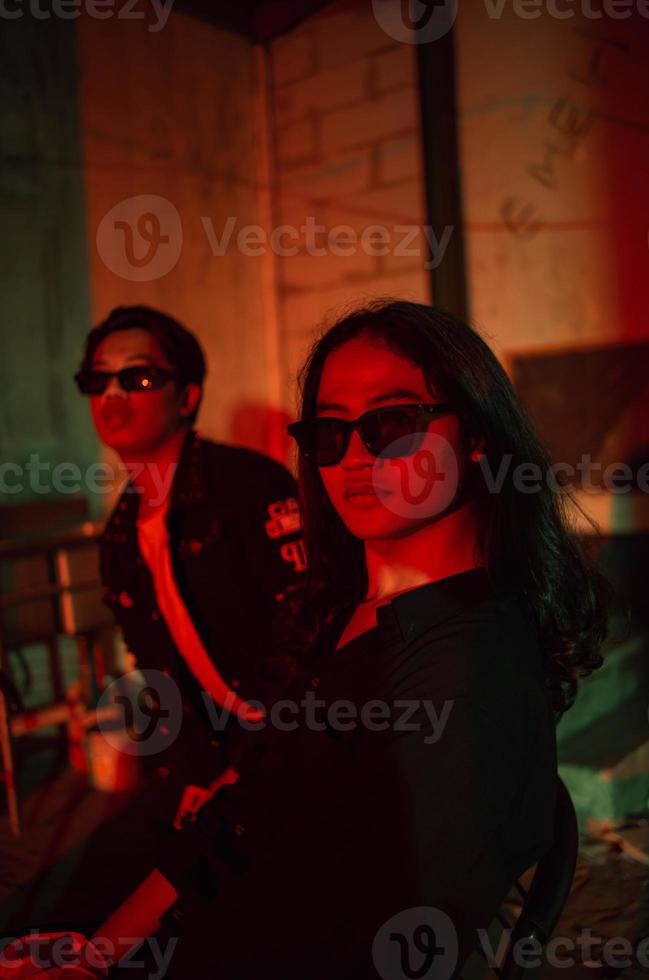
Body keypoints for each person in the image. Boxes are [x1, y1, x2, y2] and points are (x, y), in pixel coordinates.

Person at [5, 300, 608, 979]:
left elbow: (334, 933)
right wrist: (92, 959)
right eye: (328, 433)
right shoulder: (346, 610)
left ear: (477, 436)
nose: (354, 455)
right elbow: (241, 817)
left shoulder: (466, 674)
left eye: (390, 422)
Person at [69, 305, 305, 906]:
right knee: (102, 888)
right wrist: (198, 775)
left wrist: (241, 771)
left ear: (188, 395)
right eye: (97, 380)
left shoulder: (251, 486)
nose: (113, 395)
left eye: (139, 378)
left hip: (304, 739)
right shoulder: (122, 534)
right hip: (217, 753)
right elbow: (158, 676)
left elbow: (310, 643)